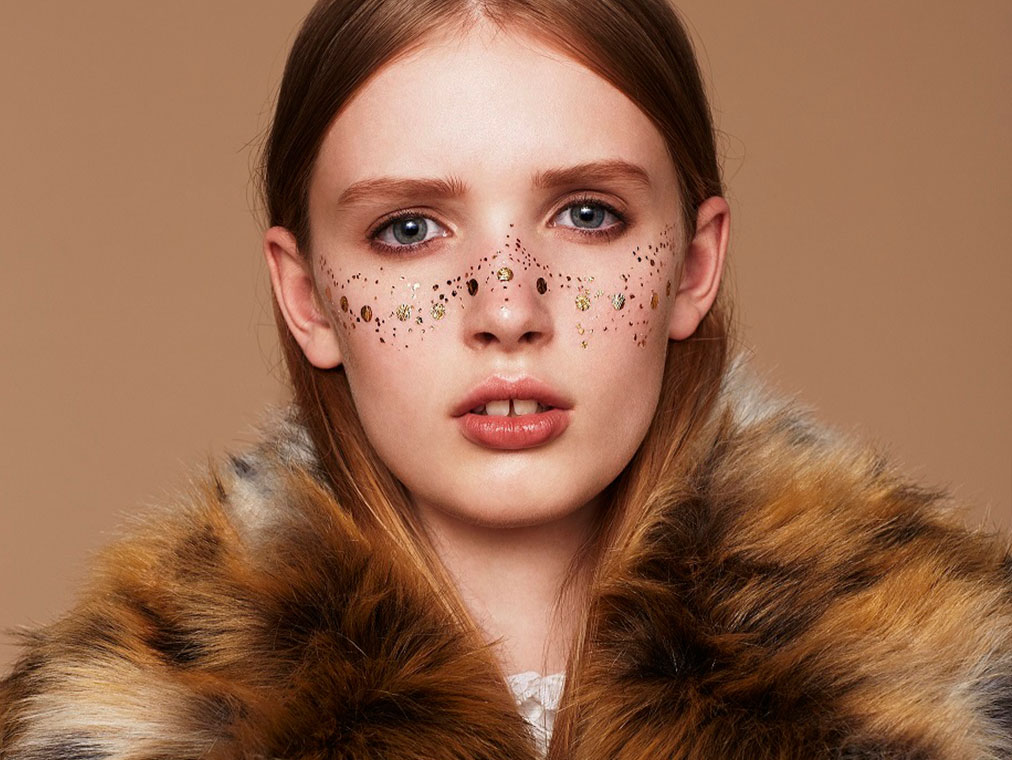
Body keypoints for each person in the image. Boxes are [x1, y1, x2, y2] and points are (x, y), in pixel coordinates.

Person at [2, 0, 1009, 758]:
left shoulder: (952, 695)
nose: (509, 309)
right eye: (408, 229)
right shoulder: (126, 727)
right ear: (307, 297)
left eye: (587, 214)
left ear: (694, 265)